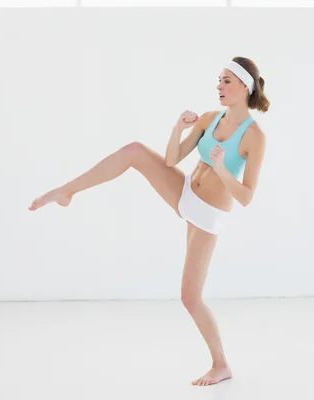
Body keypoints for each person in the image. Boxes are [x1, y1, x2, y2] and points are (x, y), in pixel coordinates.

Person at [28, 56, 269, 386]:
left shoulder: (254, 137)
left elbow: (246, 196)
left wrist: (223, 169)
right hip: (185, 192)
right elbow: (171, 160)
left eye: (227, 81)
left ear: (245, 86)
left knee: (190, 298)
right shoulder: (210, 118)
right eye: (218, 79)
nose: (219, 86)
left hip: (208, 215)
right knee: (135, 151)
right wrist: (178, 128)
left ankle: (221, 364)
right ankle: (66, 191)